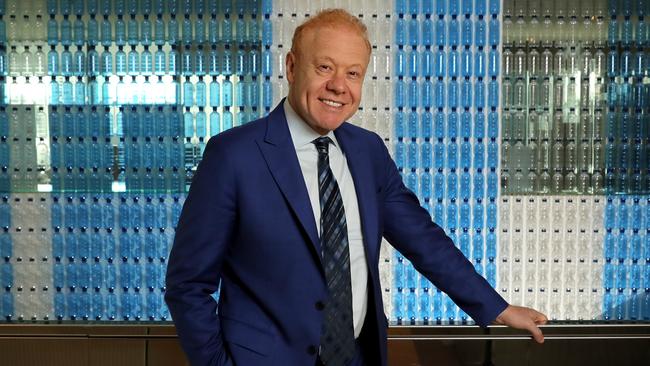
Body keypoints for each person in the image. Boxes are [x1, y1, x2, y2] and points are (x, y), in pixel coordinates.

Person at [165, 9, 547, 366]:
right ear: (292, 66)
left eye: (353, 73)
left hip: (358, 356)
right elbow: (187, 284)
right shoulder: (234, 155)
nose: (338, 86)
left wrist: (495, 306)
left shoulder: (367, 151)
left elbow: (423, 239)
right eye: (325, 67)